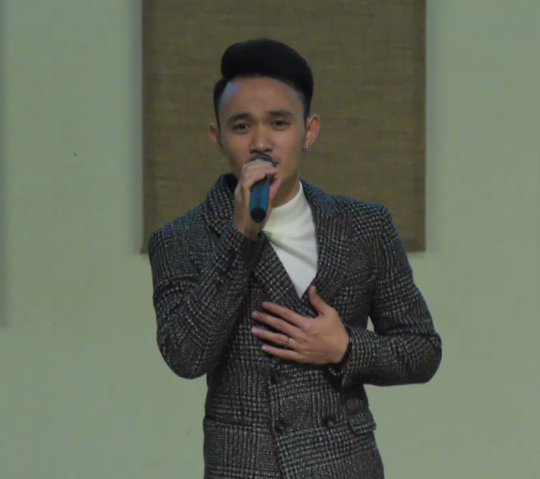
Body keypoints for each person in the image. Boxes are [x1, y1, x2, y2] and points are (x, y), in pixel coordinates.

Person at [147, 38, 442, 479]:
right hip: (247, 467)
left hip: (344, 465)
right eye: (241, 126)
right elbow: (186, 356)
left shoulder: (365, 225)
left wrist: (345, 348)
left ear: (309, 131)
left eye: (279, 123)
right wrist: (240, 234)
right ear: (217, 137)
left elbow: (422, 350)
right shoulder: (180, 239)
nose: (261, 143)